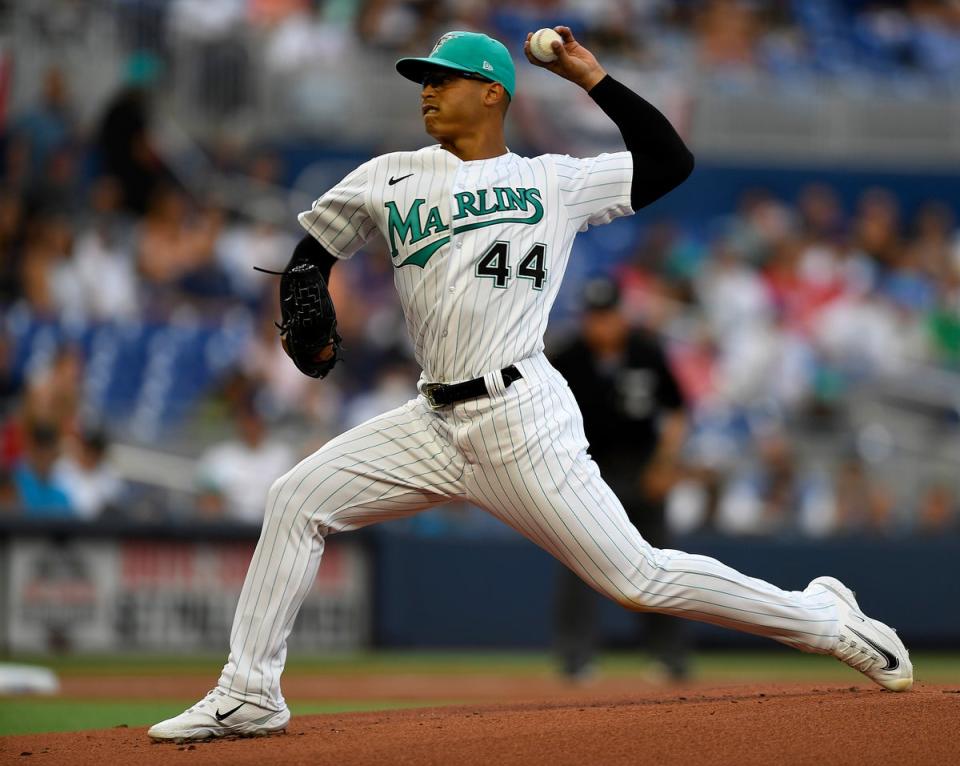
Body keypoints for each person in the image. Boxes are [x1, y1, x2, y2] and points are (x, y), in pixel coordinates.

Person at [149, 27, 912, 743]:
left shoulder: (555, 180)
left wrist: (591, 77)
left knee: (638, 578)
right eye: (423, 80)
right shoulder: (391, 174)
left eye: (444, 80)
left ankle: (825, 621)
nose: (426, 91)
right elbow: (314, 250)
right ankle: (251, 690)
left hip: (521, 417)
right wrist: (303, 297)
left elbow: (669, 162)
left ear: (493, 94)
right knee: (295, 500)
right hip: (431, 419)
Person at [551, 276, 691, 682]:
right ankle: (575, 659)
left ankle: (669, 658)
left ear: (621, 315)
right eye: (593, 317)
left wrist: (666, 464)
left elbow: (678, 410)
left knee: (661, 561)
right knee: (578, 563)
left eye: (607, 315)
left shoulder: (646, 351)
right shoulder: (568, 356)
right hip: (587, 468)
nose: (601, 325)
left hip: (643, 467)